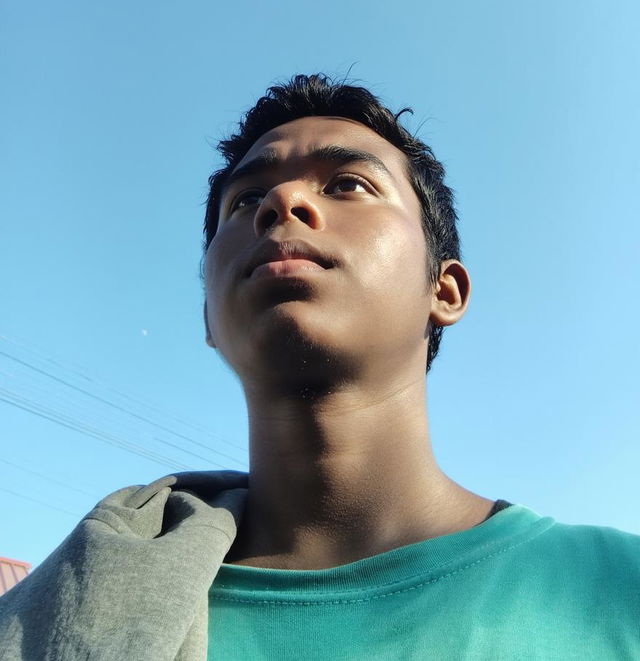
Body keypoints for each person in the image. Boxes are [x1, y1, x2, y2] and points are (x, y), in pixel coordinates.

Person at [1, 74, 638, 660]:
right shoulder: (47, 617)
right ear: (208, 321)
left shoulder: (616, 589)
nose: (280, 201)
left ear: (444, 290)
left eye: (347, 184)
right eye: (245, 199)